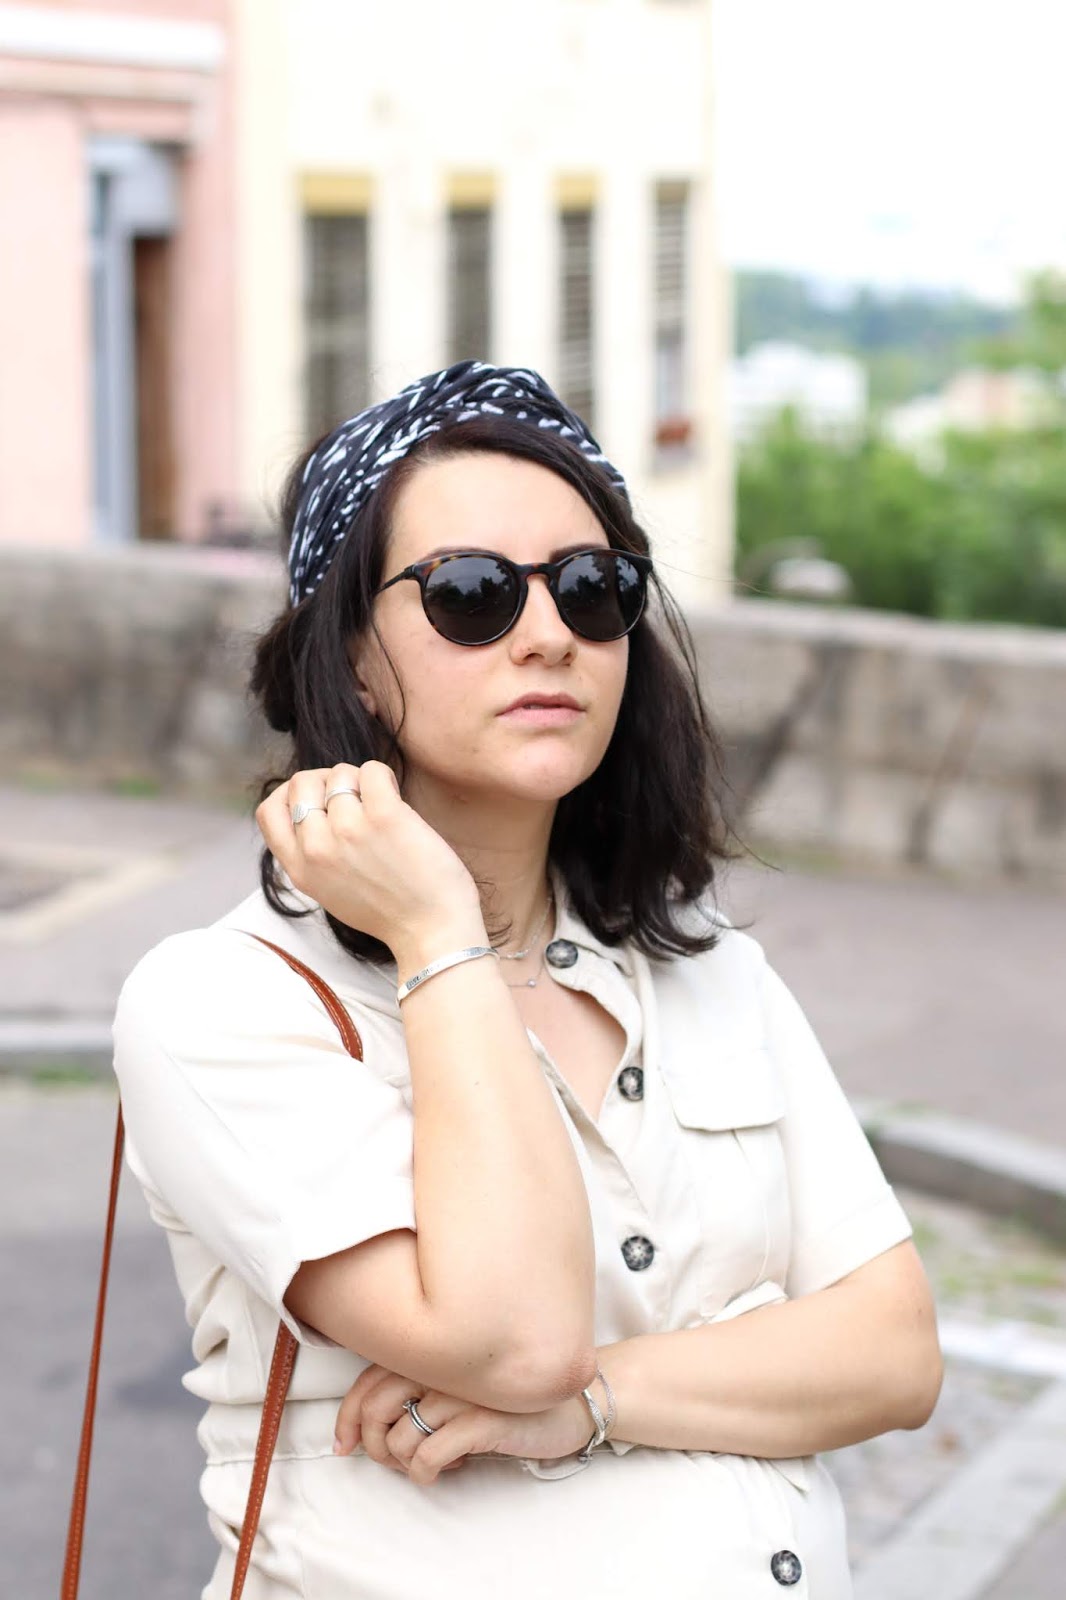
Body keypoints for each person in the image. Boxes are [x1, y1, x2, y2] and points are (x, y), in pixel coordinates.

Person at [112, 360, 943, 1599]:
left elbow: (892, 1351)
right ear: (350, 654)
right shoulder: (225, 1003)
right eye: (472, 593)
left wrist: (593, 1401)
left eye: (594, 588)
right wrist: (438, 932)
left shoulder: (703, 963)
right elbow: (510, 1339)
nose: (549, 633)